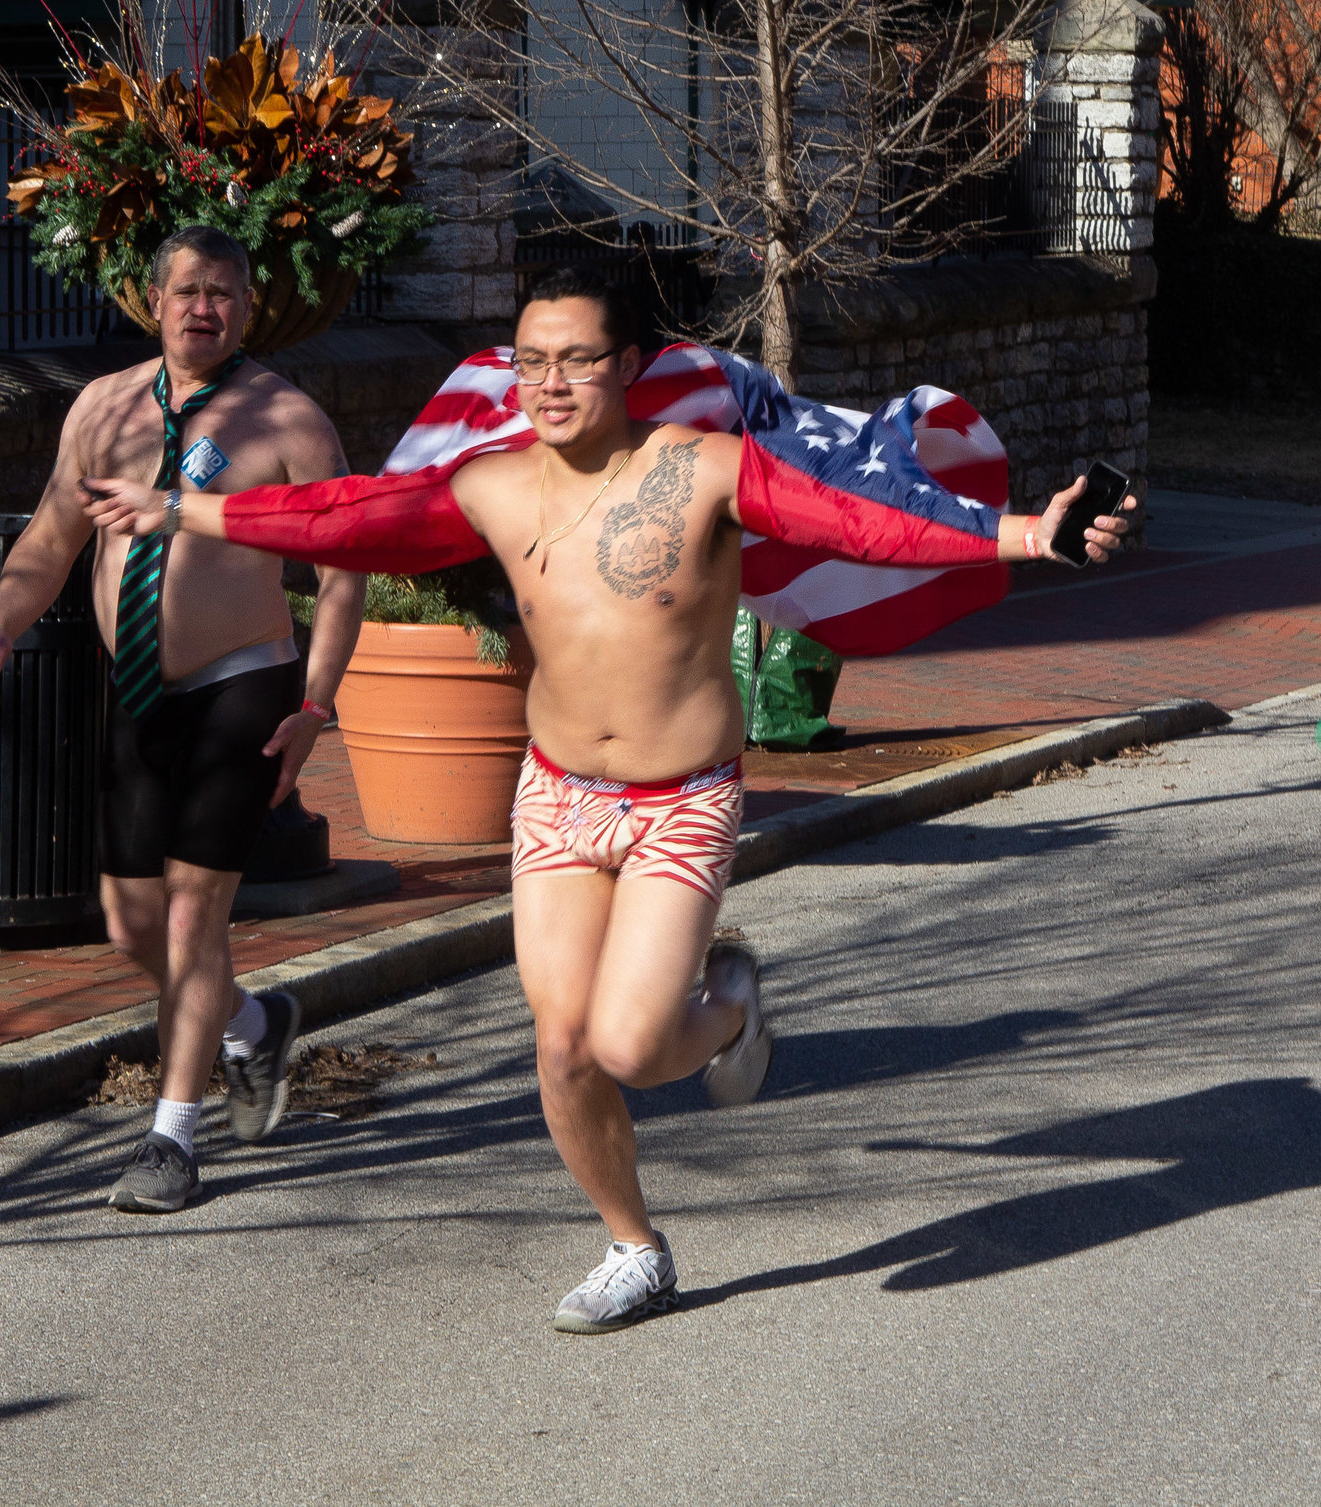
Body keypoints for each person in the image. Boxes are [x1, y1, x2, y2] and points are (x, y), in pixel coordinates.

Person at [77, 268, 1137, 1330]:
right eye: (529, 360)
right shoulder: (493, 484)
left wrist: (1022, 532)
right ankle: (635, 1244)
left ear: (630, 365)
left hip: (680, 796)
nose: (549, 381)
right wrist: (183, 507)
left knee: (632, 1046)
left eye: (577, 358)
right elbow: (351, 515)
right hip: (556, 797)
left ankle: (726, 1003)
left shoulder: (706, 467)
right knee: (562, 1044)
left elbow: (858, 520)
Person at [0, 225, 362, 1211]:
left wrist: (315, 704)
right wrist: (0, 626)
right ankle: (257, 1027)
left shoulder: (287, 420)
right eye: (187, 289)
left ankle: (171, 1138)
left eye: (224, 292)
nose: (203, 307)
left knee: (192, 917)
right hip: (135, 689)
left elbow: (345, 568)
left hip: (243, 684)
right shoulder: (101, 407)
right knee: (132, 922)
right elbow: (54, 533)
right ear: (151, 299)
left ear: (249, 308)